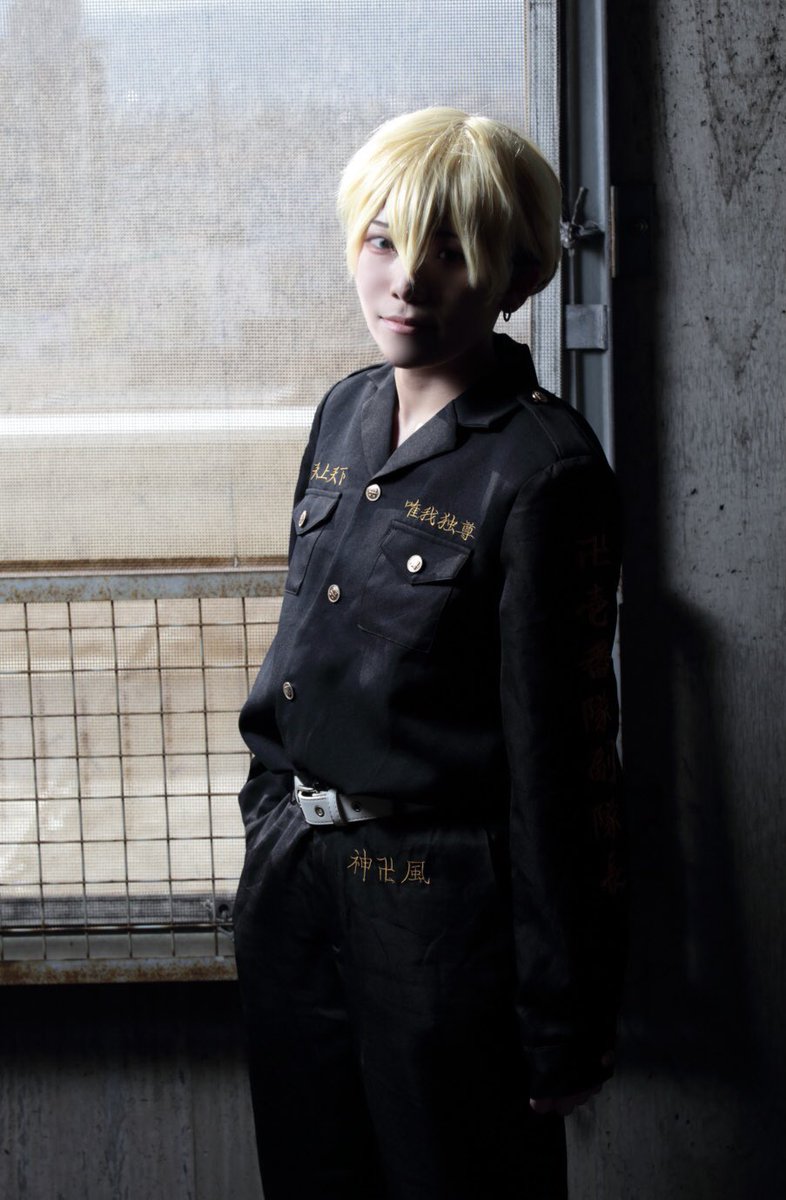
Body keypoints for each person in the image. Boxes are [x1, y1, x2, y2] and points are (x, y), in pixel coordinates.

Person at [233, 107, 626, 1200]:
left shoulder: (545, 471)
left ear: (516, 275)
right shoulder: (345, 413)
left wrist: (563, 1013)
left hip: (440, 913)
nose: (406, 278)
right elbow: (302, 649)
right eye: (383, 240)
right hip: (297, 887)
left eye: (450, 250)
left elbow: (564, 766)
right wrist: (269, 822)